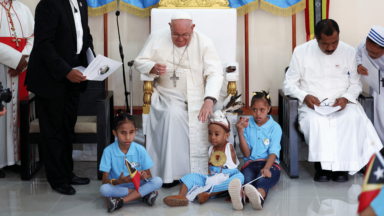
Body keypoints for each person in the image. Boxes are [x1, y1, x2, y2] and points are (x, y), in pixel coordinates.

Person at [282, 19, 383, 183]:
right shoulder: (301, 52)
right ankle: (321, 167)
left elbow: (356, 85)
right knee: (315, 121)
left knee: (351, 118)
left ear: (338, 37)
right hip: (312, 105)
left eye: (334, 42)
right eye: (325, 44)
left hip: (342, 103)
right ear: (316, 39)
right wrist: (304, 97)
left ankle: (342, 167)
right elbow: (288, 84)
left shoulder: (349, 52)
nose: (330, 48)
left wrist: (346, 98)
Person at [134, 11, 223, 186]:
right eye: (176, 34)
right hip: (168, 94)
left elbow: (215, 73)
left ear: (193, 28)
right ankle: (170, 175)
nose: (180, 39)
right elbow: (139, 62)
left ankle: (199, 173)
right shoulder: (157, 37)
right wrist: (152, 67)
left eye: (185, 35)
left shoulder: (204, 42)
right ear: (169, 28)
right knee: (172, 114)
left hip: (199, 95)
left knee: (204, 118)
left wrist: (209, 99)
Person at [26, 0, 94, 195]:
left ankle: (66, 172)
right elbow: (43, 44)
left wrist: (94, 63)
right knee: (53, 131)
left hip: (74, 75)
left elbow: (85, 37)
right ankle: (56, 179)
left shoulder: (81, 2)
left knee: (66, 128)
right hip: (51, 77)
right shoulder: (48, 4)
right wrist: (66, 71)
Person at [163, 94, 244, 207]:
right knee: (189, 177)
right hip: (210, 178)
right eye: (210, 133)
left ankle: (208, 194)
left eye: (217, 134)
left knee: (240, 177)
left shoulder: (228, 147)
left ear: (226, 136)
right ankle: (181, 195)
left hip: (227, 178)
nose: (212, 137)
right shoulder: (211, 149)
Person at [99, 110, 162, 213]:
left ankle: (120, 201)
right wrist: (117, 181)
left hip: (137, 184)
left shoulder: (140, 149)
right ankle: (144, 194)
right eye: (123, 133)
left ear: (135, 131)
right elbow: (104, 181)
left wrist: (144, 175)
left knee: (158, 181)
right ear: (115, 133)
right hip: (119, 186)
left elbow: (149, 175)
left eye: (131, 132)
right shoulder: (108, 151)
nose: (128, 137)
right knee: (104, 189)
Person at [230, 91, 282, 211]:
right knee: (247, 178)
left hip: (270, 164)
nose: (257, 114)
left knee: (262, 178)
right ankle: (241, 197)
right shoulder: (247, 125)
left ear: (269, 109)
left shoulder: (275, 128)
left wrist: (267, 168)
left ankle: (259, 197)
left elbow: (274, 151)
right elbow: (247, 154)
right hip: (251, 164)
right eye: (254, 109)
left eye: (262, 110)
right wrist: (240, 132)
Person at [0, 0, 34, 178]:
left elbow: (32, 39)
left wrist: (24, 60)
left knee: (15, 115)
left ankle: (13, 160)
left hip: (20, 68)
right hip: (1, 67)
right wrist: (15, 58)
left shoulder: (23, 9)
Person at [356, 26, 384, 147]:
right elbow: (357, 54)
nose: (369, 53)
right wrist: (359, 65)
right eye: (368, 50)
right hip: (378, 87)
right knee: (378, 118)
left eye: (373, 52)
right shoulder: (365, 44)